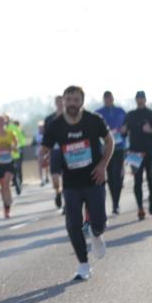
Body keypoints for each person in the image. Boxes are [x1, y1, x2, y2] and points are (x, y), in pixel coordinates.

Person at [40, 86, 114, 281]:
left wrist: (102, 165)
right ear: (63, 101)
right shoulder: (55, 125)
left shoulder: (93, 120)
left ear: (82, 101)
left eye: (76, 99)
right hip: (71, 182)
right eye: (69, 99)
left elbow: (109, 141)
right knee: (73, 223)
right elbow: (44, 148)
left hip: (94, 178)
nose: (72, 103)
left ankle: (96, 234)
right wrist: (43, 158)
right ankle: (83, 264)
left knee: (99, 222)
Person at [123, 91, 152, 220]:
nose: (140, 100)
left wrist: (151, 130)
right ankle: (140, 207)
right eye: (138, 98)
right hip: (135, 152)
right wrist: (123, 131)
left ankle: (151, 199)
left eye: (142, 98)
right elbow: (124, 133)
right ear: (135, 100)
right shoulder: (130, 115)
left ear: (145, 100)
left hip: (150, 152)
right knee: (137, 181)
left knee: (151, 178)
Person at [95, 91, 127, 214]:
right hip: (105, 148)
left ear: (113, 98)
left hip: (119, 146)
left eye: (110, 98)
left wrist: (124, 130)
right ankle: (114, 202)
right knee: (110, 175)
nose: (108, 100)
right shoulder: (99, 113)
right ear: (104, 99)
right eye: (106, 98)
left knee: (117, 175)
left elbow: (127, 126)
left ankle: (116, 203)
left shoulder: (120, 111)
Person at [0, 115, 19, 218]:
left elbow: (16, 146)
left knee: (6, 183)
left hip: (9, 162)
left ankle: (8, 207)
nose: (1, 123)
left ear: (5, 122)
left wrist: (12, 148)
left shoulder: (11, 133)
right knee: (3, 187)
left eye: (2, 121)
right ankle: (6, 206)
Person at [43, 95, 65, 211]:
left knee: (67, 179)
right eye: (58, 102)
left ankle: (67, 203)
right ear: (55, 103)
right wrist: (46, 153)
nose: (60, 103)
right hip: (54, 152)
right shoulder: (49, 119)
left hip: (67, 152)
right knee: (56, 179)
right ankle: (58, 193)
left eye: (62, 101)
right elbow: (46, 138)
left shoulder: (70, 117)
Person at [5, 116, 27, 195]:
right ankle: (16, 182)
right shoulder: (2, 129)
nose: (4, 121)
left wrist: (19, 146)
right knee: (12, 168)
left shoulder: (13, 127)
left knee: (18, 167)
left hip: (17, 150)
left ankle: (19, 183)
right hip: (8, 152)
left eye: (5, 119)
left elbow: (20, 138)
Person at [34, 121, 50, 186]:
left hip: (46, 151)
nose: (41, 128)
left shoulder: (47, 133)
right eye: (40, 127)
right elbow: (34, 143)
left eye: (42, 127)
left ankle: (46, 176)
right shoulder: (36, 135)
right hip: (39, 152)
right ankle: (42, 180)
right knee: (40, 165)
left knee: (46, 165)